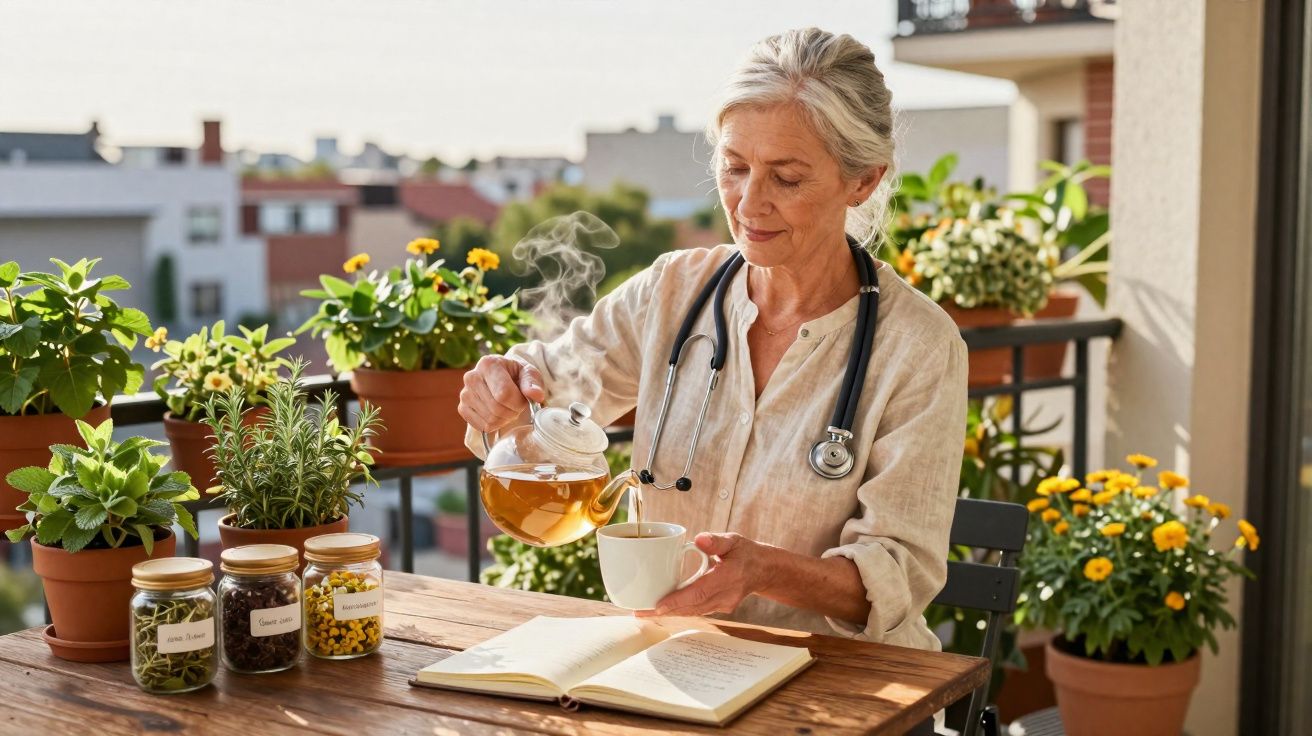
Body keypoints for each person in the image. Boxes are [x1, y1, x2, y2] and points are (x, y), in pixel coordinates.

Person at [460, 27, 967, 659]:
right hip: (678, 658)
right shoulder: (672, 292)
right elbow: (541, 399)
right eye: (734, 168)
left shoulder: (917, 346)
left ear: (862, 180)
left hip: (842, 679)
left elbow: (898, 571)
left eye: (786, 178)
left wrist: (767, 572)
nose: (749, 203)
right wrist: (502, 397)